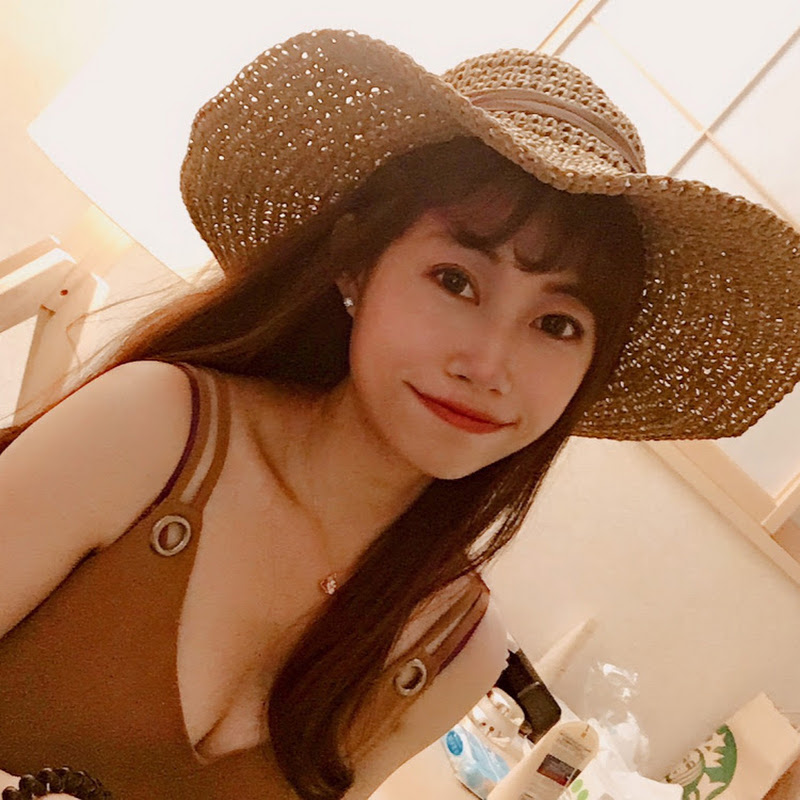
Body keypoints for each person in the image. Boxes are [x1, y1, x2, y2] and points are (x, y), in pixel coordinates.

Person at [0, 28, 798, 800]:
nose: (488, 364)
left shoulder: (456, 651)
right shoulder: (150, 431)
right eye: (456, 281)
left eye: (557, 324)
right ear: (357, 262)